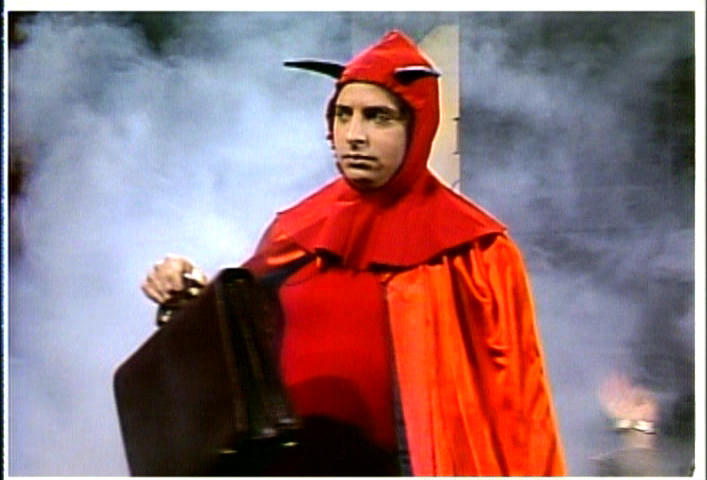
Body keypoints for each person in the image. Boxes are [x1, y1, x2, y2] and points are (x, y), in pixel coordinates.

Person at [142, 30, 566, 476]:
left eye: (378, 117)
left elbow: (521, 405)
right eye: (343, 115)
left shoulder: (475, 251)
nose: (355, 135)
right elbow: (237, 335)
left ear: (417, 126)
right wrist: (188, 292)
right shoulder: (296, 233)